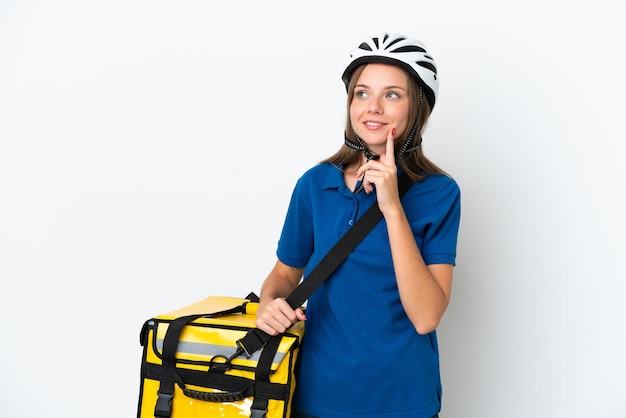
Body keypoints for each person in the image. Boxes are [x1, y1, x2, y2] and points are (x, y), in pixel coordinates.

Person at [255, 33, 461, 418]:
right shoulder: (315, 185)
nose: (374, 108)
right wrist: (269, 305)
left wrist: (392, 207)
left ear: (417, 109)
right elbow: (284, 274)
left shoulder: (439, 193)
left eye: (393, 95)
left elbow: (427, 316)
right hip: (317, 397)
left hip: (403, 401)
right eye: (362, 93)